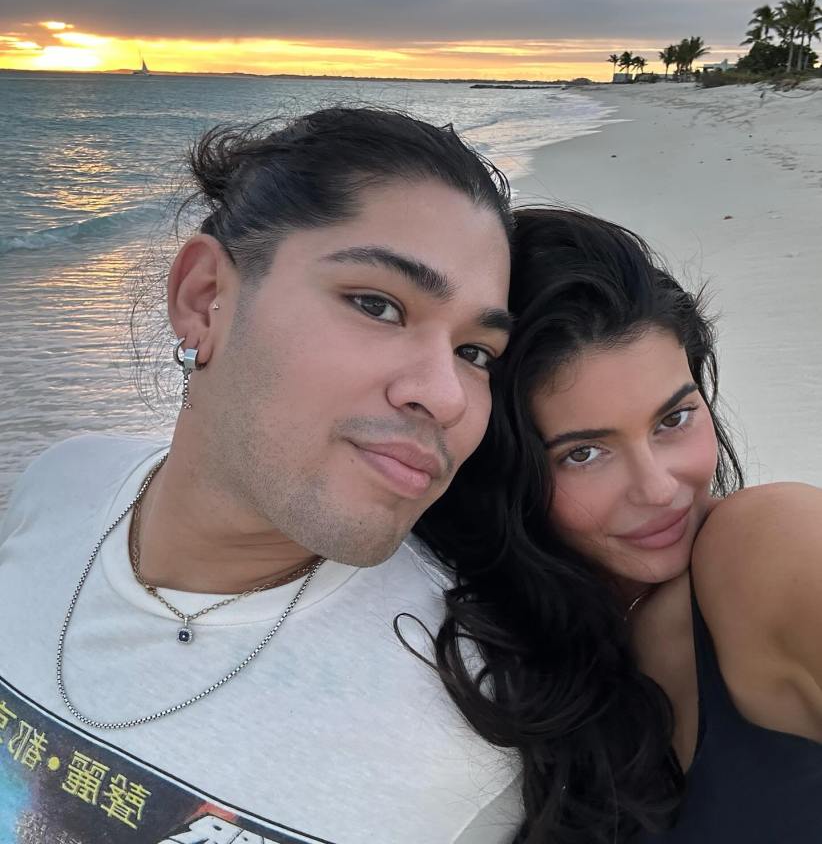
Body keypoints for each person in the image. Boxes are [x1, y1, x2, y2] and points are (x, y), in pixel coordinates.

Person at [0, 107, 523, 844]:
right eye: (378, 305)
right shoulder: (55, 488)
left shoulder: (479, 715)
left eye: (476, 354)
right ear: (204, 298)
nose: (444, 395)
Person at [419, 206, 822, 844]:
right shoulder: (502, 641)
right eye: (583, 453)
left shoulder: (771, 544)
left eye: (674, 419)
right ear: (501, 475)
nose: (660, 489)